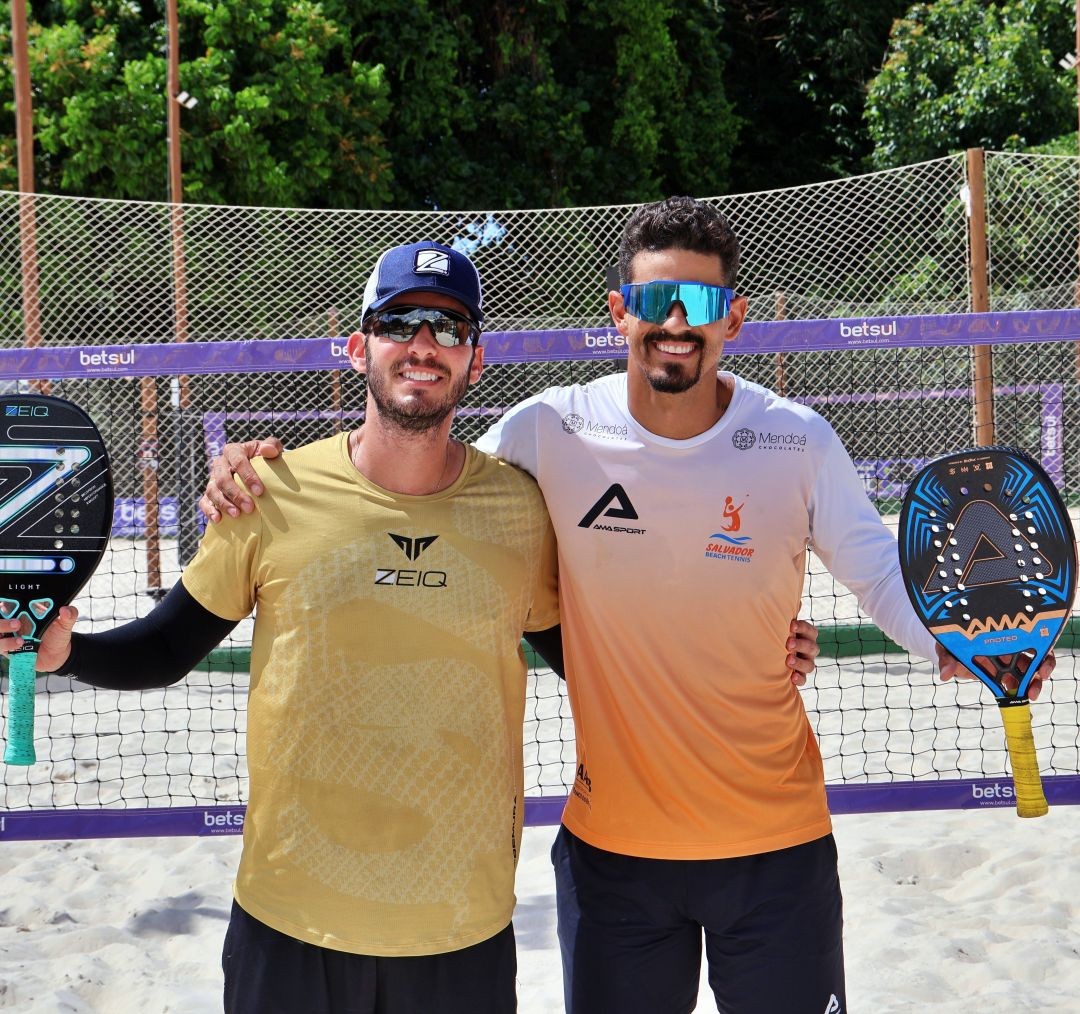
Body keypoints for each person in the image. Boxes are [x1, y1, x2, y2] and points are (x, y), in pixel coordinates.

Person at [198, 200, 1013, 1014]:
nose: (677, 324)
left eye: (699, 304)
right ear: (621, 312)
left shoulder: (796, 439)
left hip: (777, 848)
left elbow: (878, 572)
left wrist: (955, 642)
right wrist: (252, 471)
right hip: (615, 858)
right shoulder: (548, 431)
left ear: (735, 318)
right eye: (657, 302)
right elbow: (432, 492)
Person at [1, 240, 569, 1014]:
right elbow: (167, 648)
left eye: (450, 327)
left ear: (476, 360)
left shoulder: (520, 508)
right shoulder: (264, 492)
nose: (424, 345)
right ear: (357, 345)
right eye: (400, 320)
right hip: (291, 922)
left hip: (459, 930)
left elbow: (595, 660)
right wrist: (68, 652)